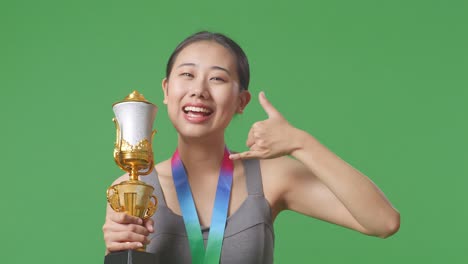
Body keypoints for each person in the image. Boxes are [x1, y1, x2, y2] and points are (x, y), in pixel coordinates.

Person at [103, 31, 400, 263]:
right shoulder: (133, 189)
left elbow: (383, 222)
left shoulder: (272, 178)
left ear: (241, 102)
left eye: (217, 78)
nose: (199, 90)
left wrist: (300, 143)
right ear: (167, 90)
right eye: (187, 74)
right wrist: (117, 252)